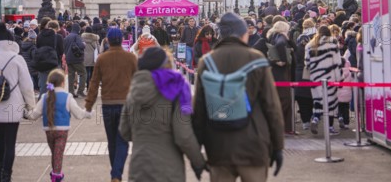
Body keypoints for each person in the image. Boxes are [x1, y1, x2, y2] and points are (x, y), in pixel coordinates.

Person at [193, 13, 284, 181]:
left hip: (218, 146)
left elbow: (199, 110)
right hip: (254, 145)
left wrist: (196, 152)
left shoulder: (206, 62)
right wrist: (278, 146)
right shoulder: (257, 59)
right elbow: (272, 107)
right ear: (243, 33)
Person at [119, 46, 207, 181]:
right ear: (167, 64)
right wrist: (198, 162)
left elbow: (124, 131)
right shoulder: (176, 88)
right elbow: (183, 135)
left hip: (139, 167)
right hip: (167, 168)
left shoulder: (134, 88)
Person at [0, 22, 36, 181]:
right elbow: (27, 86)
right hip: (13, 107)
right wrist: (30, 106)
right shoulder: (17, 59)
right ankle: (6, 175)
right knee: (10, 143)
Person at [85, 28, 137, 182]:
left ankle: (116, 174)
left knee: (111, 141)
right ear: (122, 40)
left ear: (107, 40)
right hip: (125, 105)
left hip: (107, 104)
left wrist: (88, 105)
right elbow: (140, 81)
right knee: (122, 141)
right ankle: (116, 174)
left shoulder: (102, 59)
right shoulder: (131, 58)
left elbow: (94, 83)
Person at [29, 69, 92, 181]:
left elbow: (34, 115)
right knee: (58, 154)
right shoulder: (67, 96)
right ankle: (57, 176)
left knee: (55, 153)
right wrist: (87, 113)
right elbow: (78, 114)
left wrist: (26, 113)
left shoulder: (44, 96)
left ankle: (55, 173)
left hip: (48, 130)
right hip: (62, 131)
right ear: (63, 83)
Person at [305, 25, 342, 135]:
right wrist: (338, 79)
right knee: (331, 103)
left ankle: (315, 119)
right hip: (330, 77)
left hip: (315, 77)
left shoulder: (310, 44)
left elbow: (307, 63)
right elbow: (337, 62)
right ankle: (330, 128)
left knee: (318, 101)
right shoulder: (333, 43)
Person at [266, 20, 294, 134]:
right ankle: (280, 126)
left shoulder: (272, 36)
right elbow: (280, 45)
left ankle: (284, 127)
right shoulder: (280, 38)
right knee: (285, 99)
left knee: (279, 99)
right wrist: (283, 60)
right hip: (281, 73)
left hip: (274, 71)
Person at [35, 18, 64, 95]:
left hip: (42, 64)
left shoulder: (39, 35)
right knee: (52, 84)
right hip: (54, 63)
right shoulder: (58, 37)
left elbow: (37, 48)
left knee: (43, 86)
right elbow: (61, 51)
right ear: (57, 28)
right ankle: (50, 101)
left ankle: (42, 102)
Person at [64, 23, 86, 98]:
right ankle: (80, 91)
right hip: (77, 59)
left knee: (71, 75)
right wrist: (84, 44)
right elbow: (81, 45)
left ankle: (71, 92)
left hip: (69, 59)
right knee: (83, 73)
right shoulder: (77, 36)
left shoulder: (67, 37)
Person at [82, 27, 99, 92]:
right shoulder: (95, 39)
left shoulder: (82, 38)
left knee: (86, 72)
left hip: (85, 56)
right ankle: (91, 86)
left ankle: (87, 86)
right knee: (92, 72)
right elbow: (98, 48)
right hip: (93, 57)